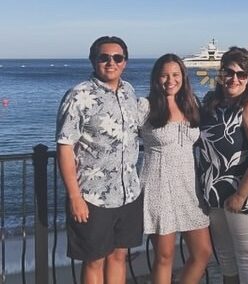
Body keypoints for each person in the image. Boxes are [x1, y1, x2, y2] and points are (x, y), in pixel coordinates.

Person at [56, 36, 143, 284]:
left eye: (117, 58)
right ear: (93, 60)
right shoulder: (78, 95)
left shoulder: (129, 91)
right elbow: (64, 146)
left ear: (125, 62)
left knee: (119, 256)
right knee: (94, 261)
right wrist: (74, 197)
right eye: (104, 57)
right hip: (92, 197)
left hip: (128, 193)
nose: (111, 62)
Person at [138, 53, 212, 284]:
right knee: (164, 256)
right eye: (164, 75)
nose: (170, 80)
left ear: (183, 77)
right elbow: (119, 137)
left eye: (175, 74)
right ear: (156, 78)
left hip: (189, 187)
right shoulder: (145, 106)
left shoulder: (191, 104)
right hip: (158, 185)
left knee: (202, 253)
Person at [198, 47, 248, 284]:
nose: (234, 79)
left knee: (247, 256)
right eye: (229, 72)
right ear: (220, 74)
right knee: (226, 257)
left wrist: (241, 195)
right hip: (214, 195)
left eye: (242, 74)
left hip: (243, 196)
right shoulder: (210, 104)